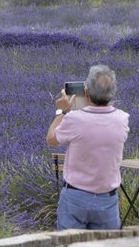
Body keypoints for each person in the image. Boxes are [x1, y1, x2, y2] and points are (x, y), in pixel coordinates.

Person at [46, 64, 129, 230]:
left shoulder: (74, 119)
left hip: (75, 198)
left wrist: (62, 111)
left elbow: (51, 139)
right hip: (107, 200)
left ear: (86, 92)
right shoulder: (122, 119)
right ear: (112, 94)